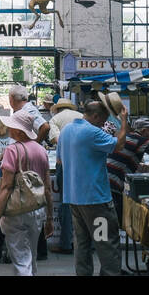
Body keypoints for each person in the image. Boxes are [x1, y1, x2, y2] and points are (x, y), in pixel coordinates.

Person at [57, 98, 127, 275]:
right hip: (96, 201)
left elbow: (59, 160)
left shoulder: (66, 131)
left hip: (74, 198)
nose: (104, 124)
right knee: (105, 244)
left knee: (82, 244)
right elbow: (119, 144)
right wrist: (124, 121)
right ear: (95, 116)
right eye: (103, 120)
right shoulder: (92, 132)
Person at [0, 109, 53, 276]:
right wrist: (50, 218)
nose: (9, 129)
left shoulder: (12, 150)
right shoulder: (41, 150)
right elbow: (47, 187)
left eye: (11, 126)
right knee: (30, 256)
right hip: (37, 209)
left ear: (18, 130)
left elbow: (6, 187)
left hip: (16, 211)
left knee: (20, 260)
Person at [46, 98, 83, 253]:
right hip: (83, 163)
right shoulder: (81, 117)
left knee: (66, 202)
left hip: (65, 163)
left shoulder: (55, 119)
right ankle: (88, 243)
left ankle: (66, 243)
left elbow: (57, 140)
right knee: (85, 203)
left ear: (58, 109)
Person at [106, 116, 149, 217]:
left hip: (106, 183)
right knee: (115, 219)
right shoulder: (139, 140)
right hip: (113, 185)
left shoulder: (127, 137)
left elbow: (125, 158)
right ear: (144, 131)